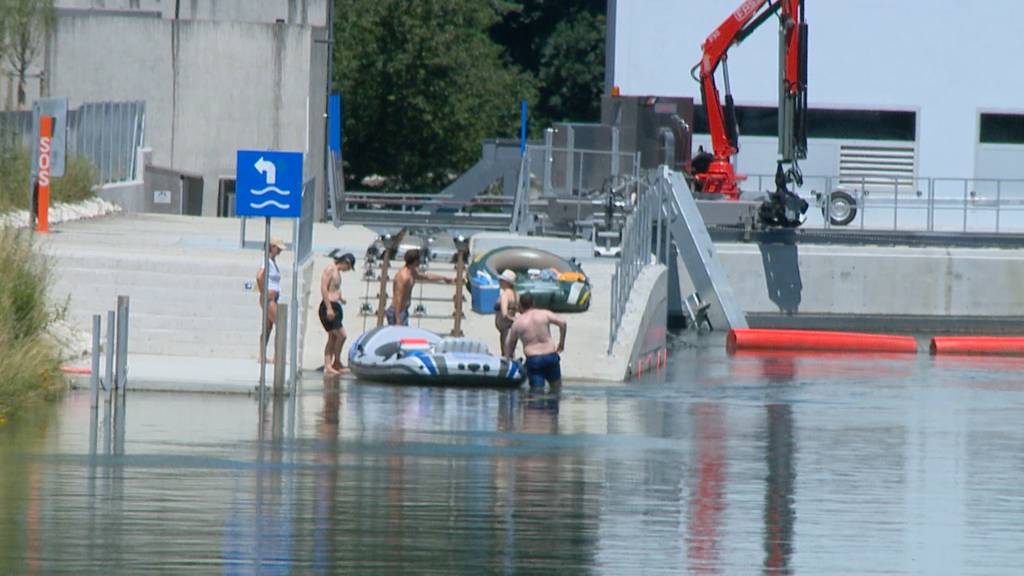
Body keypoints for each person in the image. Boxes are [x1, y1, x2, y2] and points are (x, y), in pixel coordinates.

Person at [504, 292, 567, 390]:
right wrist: (561, 344)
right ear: (533, 303)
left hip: (534, 360)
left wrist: (509, 359)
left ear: (520, 306)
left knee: (537, 394)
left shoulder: (517, 323)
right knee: (556, 389)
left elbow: (509, 343)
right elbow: (563, 323)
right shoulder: (544, 314)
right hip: (550, 356)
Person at [386, 249, 453, 326]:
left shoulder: (412, 272)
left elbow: (428, 276)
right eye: (419, 259)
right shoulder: (403, 277)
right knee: (399, 336)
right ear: (415, 261)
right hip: (397, 312)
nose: (420, 261)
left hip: (403, 311)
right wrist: (398, 319)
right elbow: (398, 298)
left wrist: (443, 278)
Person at [319, 250, 356, 375]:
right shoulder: (330, 269)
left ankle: (333, 364)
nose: (348, 270)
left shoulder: (337, 272)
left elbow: (334, 289)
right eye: (349, 267)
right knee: (342, 335)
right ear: (346, 262)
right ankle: (332, 363)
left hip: (335, 306)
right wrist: (329, 308)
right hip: (329, 306)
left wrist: (341, 299)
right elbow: (324, 288)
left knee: (333, 337)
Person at [255, 238, 285, 363]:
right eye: (278, 249)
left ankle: (262, 355)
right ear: (272, 247)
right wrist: (264, 292)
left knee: (268, 327)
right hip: (269, 299)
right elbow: (259, 276)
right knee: (280, 324)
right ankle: (277, 356)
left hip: (273, 298)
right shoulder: (266, 261)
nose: (279, 251)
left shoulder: (272, 261)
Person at [494, 269, 518, 356]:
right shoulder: (516, 294)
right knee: (511, 352)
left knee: (506, 354)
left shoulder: (505, 295)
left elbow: (504, 313)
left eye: (501, 280)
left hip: (506, 328)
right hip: (512, 327)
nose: (499, 281)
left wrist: (513, 319)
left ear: (506, 282)